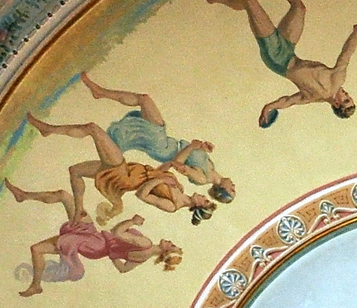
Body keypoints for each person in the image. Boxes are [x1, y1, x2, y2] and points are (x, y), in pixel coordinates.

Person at [192, 0, 357, 126]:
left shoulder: (316, 94)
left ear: (337, 104)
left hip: (276, 57)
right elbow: (346, 54)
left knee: (248, 0)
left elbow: (288, 101)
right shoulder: (333, 82)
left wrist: (268, 107)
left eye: (346, 99)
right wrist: (356, 32)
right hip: (288, 51)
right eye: (350, 97)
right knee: (299, 8)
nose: (347, 94)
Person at [25, 81, 234, 224]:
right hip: (131, 169)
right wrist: (167, 169)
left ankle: (49, 130)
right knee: (75, 171)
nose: (205, 197)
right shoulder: (180, 188)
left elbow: (142, 194)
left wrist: (163, 178)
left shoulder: (174, 206)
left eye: (205, 202)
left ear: (198, 207)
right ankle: (78, 210)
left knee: (93, 129)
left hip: (124, 175)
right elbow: (159, 172)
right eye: (208, 199)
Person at [4, 181, 181, 296]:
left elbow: (117, 232)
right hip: (95, 243)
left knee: (37, 248)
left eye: (171, 245)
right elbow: (123, 269)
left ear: (165, 252)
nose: (170, 241)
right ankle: (23, 196)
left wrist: (132, 222)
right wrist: (112, 252)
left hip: (92, 242)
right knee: (64, 196)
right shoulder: (142, 259)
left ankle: (36, 285)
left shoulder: (146, 244)